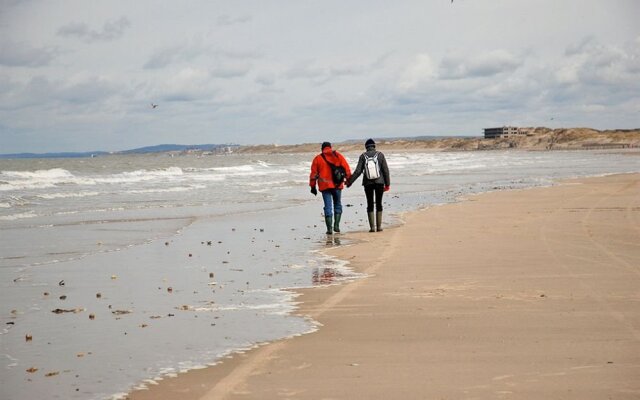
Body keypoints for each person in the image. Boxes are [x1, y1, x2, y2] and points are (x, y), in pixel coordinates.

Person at [346, 138, 390, 232]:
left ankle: (372, 228)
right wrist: (387, 184)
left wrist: (350, 182)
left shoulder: (363, 156)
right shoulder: (380, 155)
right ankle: (379, 227)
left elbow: (358, 171)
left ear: (366, 147)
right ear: (374, 146)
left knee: (370, 203)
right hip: (380, 182)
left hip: (367, 183)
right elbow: (386, 171)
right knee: (379, 203)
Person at [309, 142, 352, 235]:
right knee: (337, 204)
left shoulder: (317, 159)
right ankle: (336, 225)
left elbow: (313, 175)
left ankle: (329, 229)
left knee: (328, 207)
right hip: (337, 185)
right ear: (330, 147)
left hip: (325, 187)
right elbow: (347, 168)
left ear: (322, 149)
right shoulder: (338, 156)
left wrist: (312, 186)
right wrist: (348, 180)